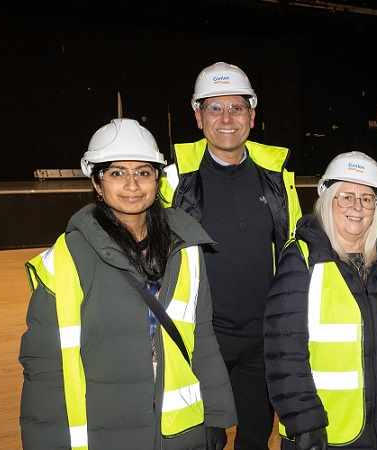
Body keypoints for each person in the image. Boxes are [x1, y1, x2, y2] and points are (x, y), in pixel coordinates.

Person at [19, 118, 235, 450]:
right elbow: (45, 369)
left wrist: (216, 417)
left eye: (143, 172)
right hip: (106, 433)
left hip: (180, 433)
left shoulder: (187, 247)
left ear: (157, 179)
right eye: (117, 172)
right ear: (96, 181)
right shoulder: (65, 260)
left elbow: (202, 337)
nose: (132, 185)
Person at [159, 62, 302, 450]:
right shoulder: (170, 183)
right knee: (204, 440)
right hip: (201, 342)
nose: (226, 118)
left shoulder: (276, 179)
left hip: (262, 340)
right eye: (214, 108)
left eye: (236, 108)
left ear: (252, 116)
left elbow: (294, 251)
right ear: (197, 115)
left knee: (255, 438)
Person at [264, 151, 377, 450]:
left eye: (366, 198)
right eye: (346, 196)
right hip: (330, 432)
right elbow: (283, 353)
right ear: (327, 200)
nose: (357, 207)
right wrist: (305, 421)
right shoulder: (302, 261)